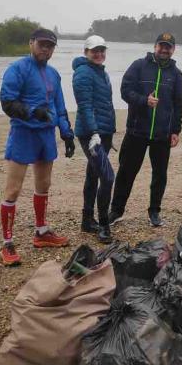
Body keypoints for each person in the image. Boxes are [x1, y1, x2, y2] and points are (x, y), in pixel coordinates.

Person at [0, 28, 74, 266]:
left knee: (43, 185)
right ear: (31, 43)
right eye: (42, 45)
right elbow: (7, 102)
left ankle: (41, 232)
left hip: (46, 135)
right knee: (13, 190)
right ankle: (7, 243)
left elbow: (59, 106)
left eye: (50, 46)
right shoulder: (17, 69)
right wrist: (33, 112)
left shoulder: (53, 74)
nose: (46, 49)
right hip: (23, 133)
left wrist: (67, 132)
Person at [109, 33, 182, 228]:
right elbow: (125, 91)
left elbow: (178, 104)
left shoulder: (176, 74)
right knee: (126, 172)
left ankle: (154, 212)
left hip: (162, 134)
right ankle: (116, 211)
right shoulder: (138, 66)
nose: (164, 49)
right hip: (136, 131)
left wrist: (176, 130)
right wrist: (144, 100)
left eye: (168, 47)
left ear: (173, 49)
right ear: (155, 46)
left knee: (160, 175)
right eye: (161, 46)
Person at [72, 35, 116, 243]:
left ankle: (87, 220)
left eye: (101, 50)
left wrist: (105, 132)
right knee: (107, 177)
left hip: (104, 132)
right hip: (92, 134)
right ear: (86, 52)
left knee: (93, 175)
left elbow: (104, 103)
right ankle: (104, 224)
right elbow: (85, 106)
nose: (99, 54)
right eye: (94, 51)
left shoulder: (100, 72)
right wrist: (94, 133)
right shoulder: (83, 73)